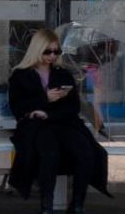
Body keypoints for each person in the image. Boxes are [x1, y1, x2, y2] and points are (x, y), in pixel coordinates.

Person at [8, 30, 110, 213]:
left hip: (62, 122)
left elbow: (73, 107)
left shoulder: (62, 73)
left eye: (56, 52)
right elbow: (18, 106)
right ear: (37, 50)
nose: (52, 56)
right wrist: (44, 98)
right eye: (48, 51)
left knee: (86, 152)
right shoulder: (20, 75)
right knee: (49, 154)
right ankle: (47, 206)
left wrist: (50, 112)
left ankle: (77, 204)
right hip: (36, 126)